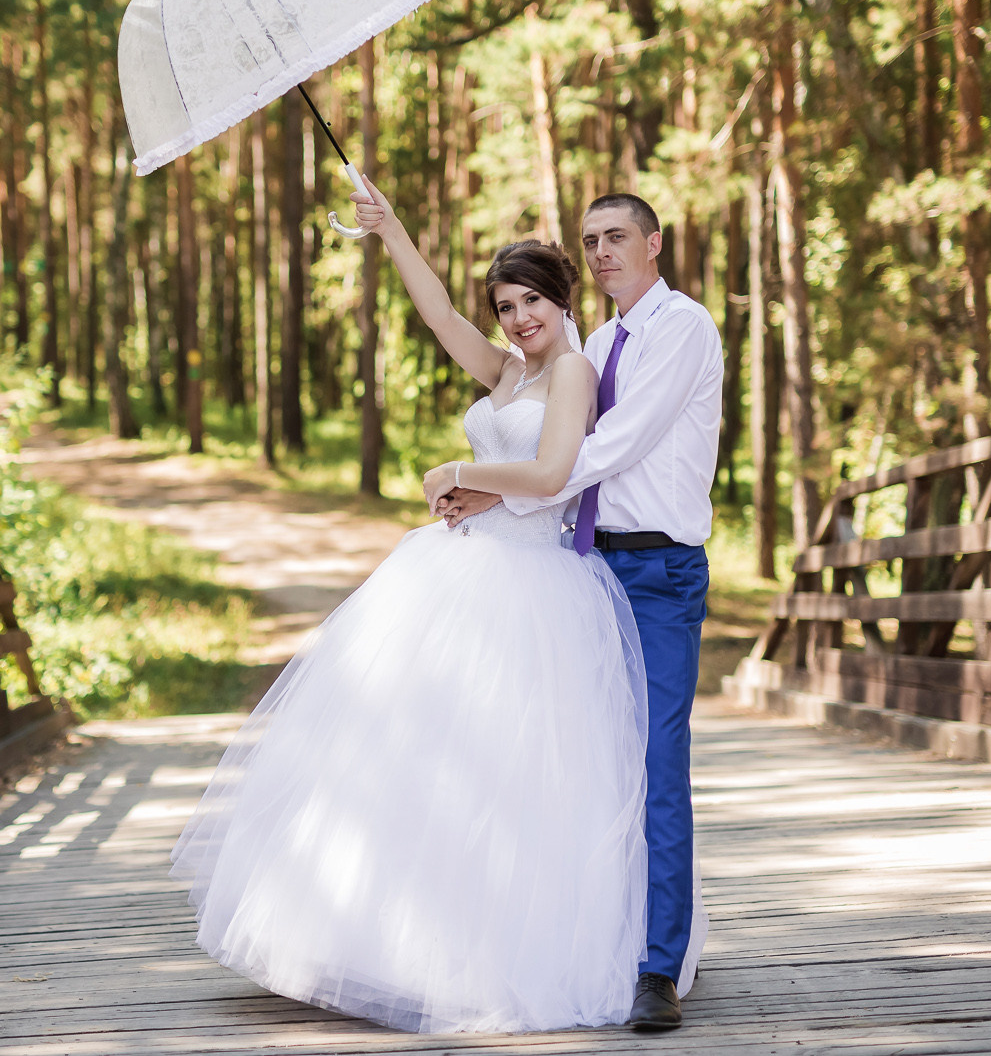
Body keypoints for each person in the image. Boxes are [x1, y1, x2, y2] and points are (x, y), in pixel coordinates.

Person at [170, 181, 680, 1033]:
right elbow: (441, 315)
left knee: (512, 774)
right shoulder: (509, 369)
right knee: (420, 759)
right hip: (456, 572)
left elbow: (553, 476)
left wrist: (460, 474)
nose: (517, 320)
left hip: (534, 590)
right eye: (507, 306)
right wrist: (390, 228)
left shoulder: (575, 371)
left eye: (531, 303)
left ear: (563, 302)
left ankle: (497, 956)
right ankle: (385, 943)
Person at [431, 192, 723, 1032]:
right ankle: (597, 936)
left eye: (617, 237)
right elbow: (557, 464)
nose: (601, 252)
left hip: (661, 569)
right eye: (590, 240)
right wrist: (515, 493)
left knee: (657, 765)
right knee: (589, 767)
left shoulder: (682, 328)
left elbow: (603, 449)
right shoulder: (594, 341)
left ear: (654, 243)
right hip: (588, 566)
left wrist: (495, 485)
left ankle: (657, 965)